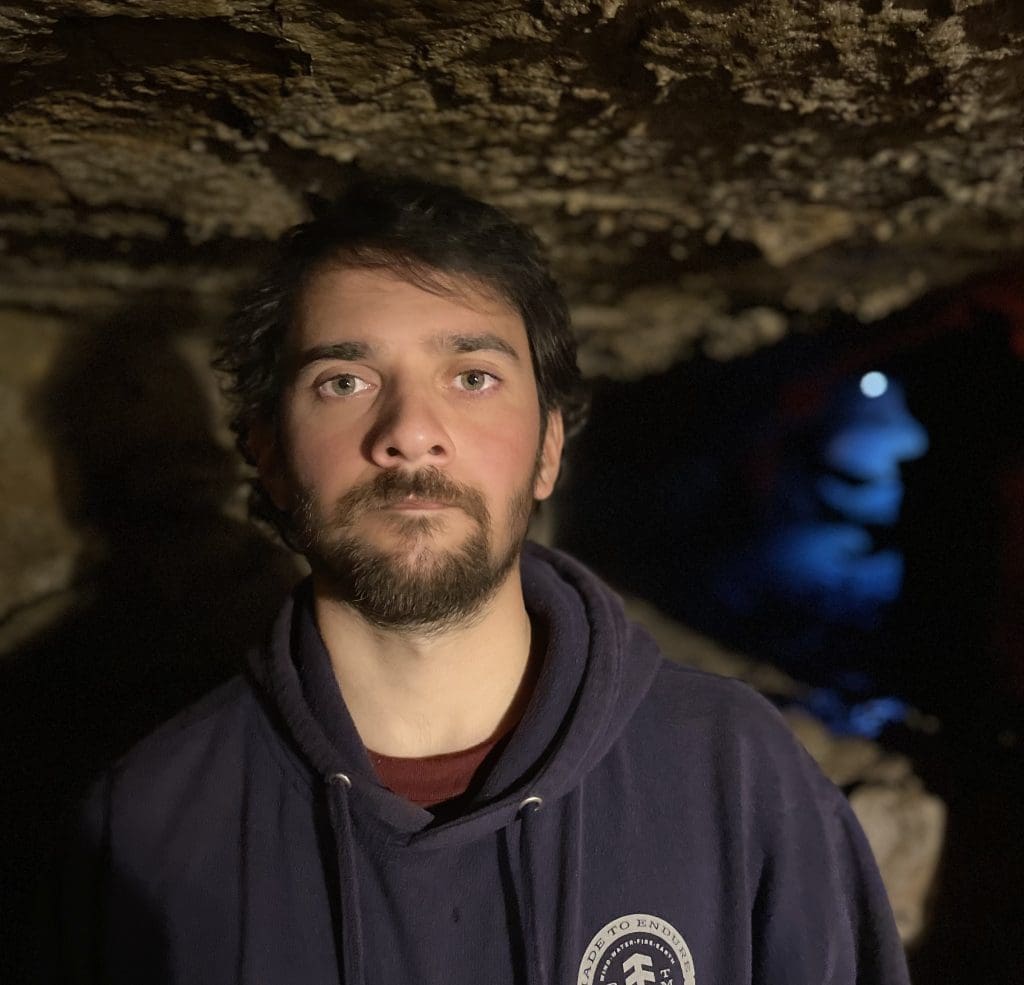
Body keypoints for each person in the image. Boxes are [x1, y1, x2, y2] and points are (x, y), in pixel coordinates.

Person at [52, 175, 910, 984]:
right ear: (269, 456)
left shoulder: (738, 774)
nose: (411, 431)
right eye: (344, 380)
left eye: (472, 377)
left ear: (547, 449)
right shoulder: (145, 829)